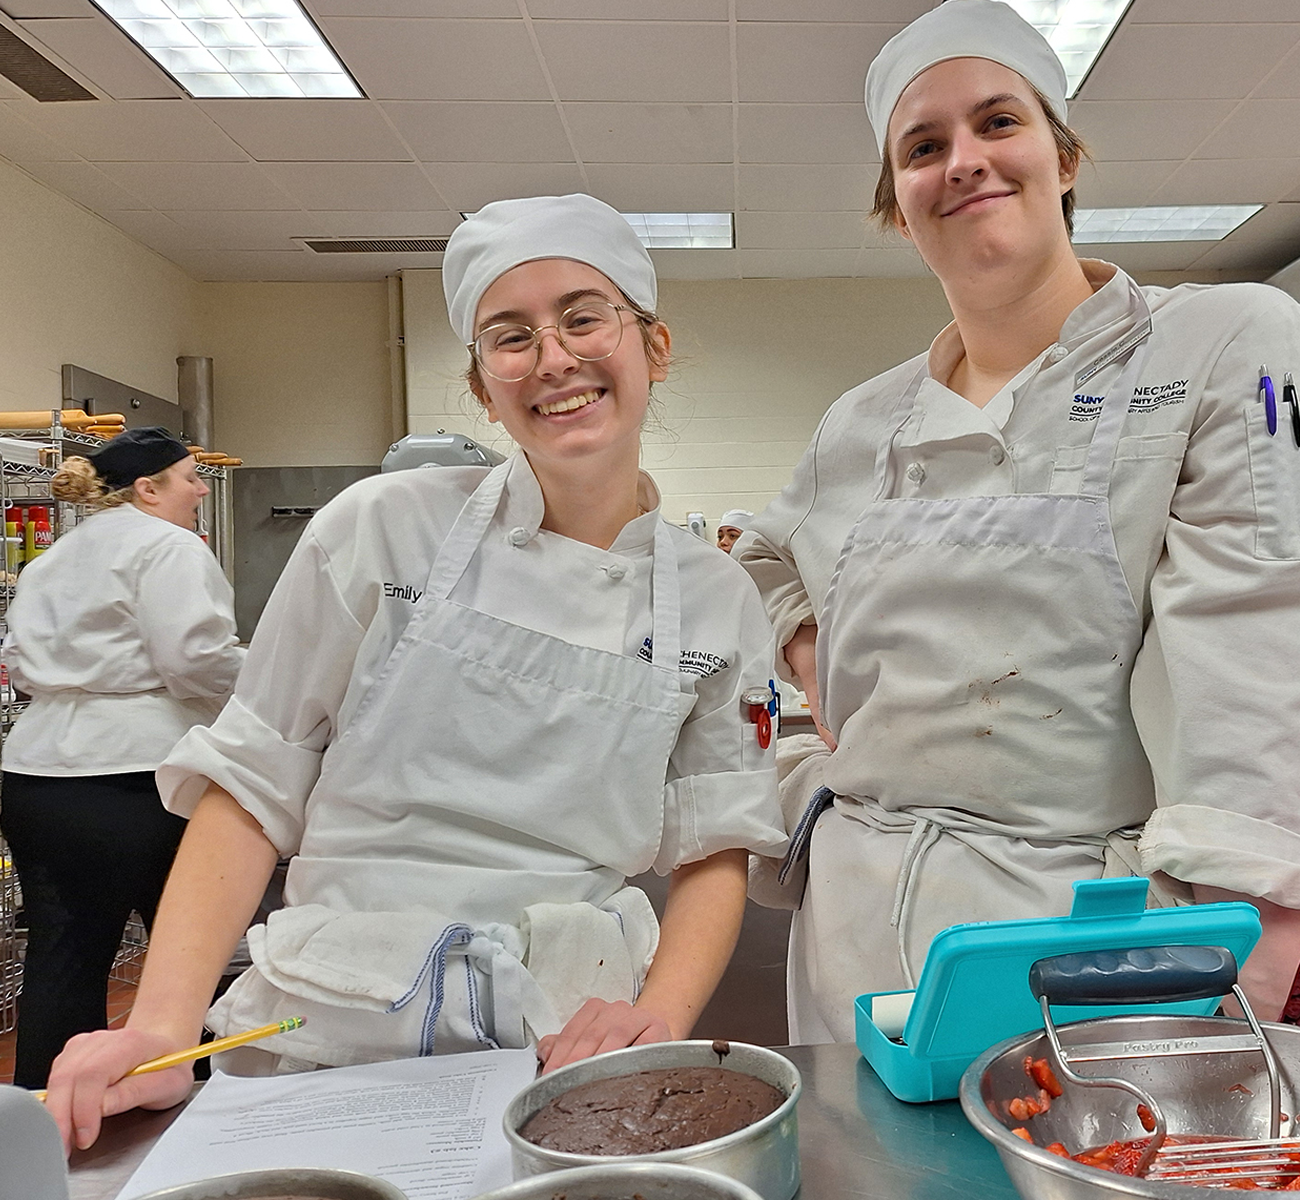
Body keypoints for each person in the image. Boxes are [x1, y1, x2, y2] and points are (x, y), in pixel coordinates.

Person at [44, 194, 785, 1151]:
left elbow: (714, 843)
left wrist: (661, 1018)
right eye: (509, 337)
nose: (554, 358)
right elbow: (254, 779)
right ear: (483, 387)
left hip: (567, 1036)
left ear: (654, 345)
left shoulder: (716, 596)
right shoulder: (380, 527)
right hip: (334, 1013)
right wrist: (160, 1024)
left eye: (583, 316)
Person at [736, 0, 1300, 1044]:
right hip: (855, 933)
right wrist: (805, 641)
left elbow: (1272, 655)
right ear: (898, 207)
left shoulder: (1231, 346)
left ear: (1066, 158)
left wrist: (1229, 938)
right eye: (924, 146)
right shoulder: (862, 422)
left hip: (1083, 942)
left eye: (999, 123)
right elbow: (758, 553)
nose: (964, 162)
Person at [0, 429, 243, 1089]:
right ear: (149, 487)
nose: (199, 489)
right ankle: (190, 1104)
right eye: (190, 476)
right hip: (138, 775)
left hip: (35, 775)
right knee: (183, 952)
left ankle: (48, 1127)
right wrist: (268, 679)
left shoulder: (56, 557)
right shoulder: (169, 547)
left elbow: (19, 665)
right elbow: (193, 660)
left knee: (64, 953)